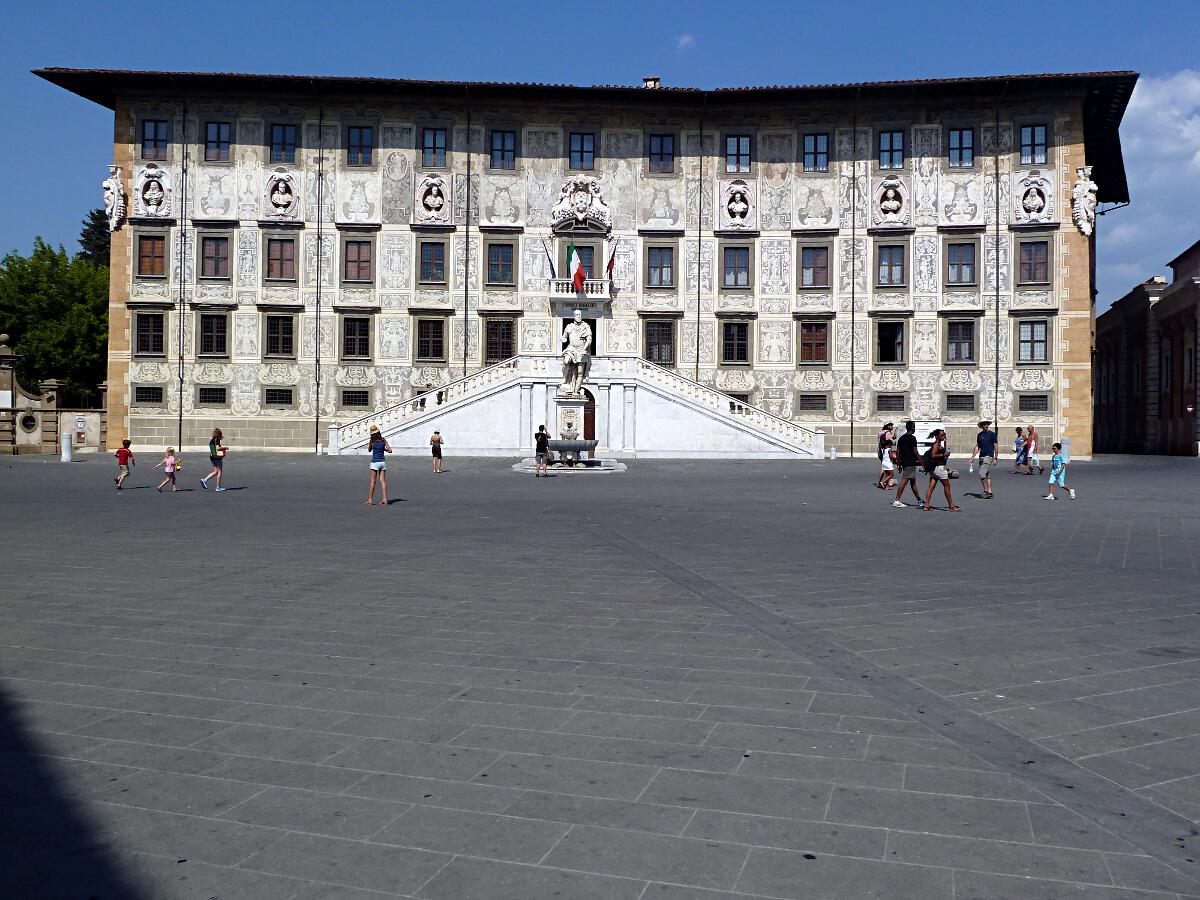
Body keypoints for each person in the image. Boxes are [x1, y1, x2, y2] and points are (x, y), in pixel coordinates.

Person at [923, 429, 961, 512]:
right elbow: (933, 455)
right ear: (937, 436)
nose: (944, 436)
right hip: (939, 469)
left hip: (935, 469)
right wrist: (944, 454)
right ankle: (951, 506)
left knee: (931, 487)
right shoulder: (936, 444)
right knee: (947, 486)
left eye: (945, 434)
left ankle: (926, 505)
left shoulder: (939, 444)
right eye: (942, 435)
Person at [892, 420, 925, 509]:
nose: (915, 429)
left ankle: (919, 499)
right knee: (904, 481)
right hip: (910, 462)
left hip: (904, 462)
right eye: (914, 427)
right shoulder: (912, 438)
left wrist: (898, 464)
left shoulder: (901, 438)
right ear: (912, 427)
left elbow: (898, 452)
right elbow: (915, 451)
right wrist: (922, 462)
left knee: (913, 483)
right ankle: (897, 500)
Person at [968, 420, 999, 500]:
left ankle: (986, 491)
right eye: (984, 424)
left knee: (982, 474)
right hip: (981, 456)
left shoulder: (992, 434)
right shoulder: (980, 435)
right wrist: (972, 457)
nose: (986, 425)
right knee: (987, 475)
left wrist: (996, 457)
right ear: (982, 426)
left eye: (987, 424)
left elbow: (995, 446)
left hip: (989, 456)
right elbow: (978, 446)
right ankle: (990, 492)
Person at [365, 425, 391, 505]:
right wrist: (384, 449)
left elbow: (369, 450)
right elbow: (390, 450)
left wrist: (372, 445)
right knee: (383, 481)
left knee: (373, 482)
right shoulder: (383, 440)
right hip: (382, 462)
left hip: (374, 462)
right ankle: (385, 499)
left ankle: (370, 499)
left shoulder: (372, 441)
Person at [201, 427, 226, 491]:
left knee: (215, 471)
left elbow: (213, 448)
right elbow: (217, 448)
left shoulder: (212, 440)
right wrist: (225, 448)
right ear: (219, 434)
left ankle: (205, 480)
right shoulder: (217, 440)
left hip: (212, 456)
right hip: (217, 457)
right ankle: (218, 487)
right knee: (220, 471)